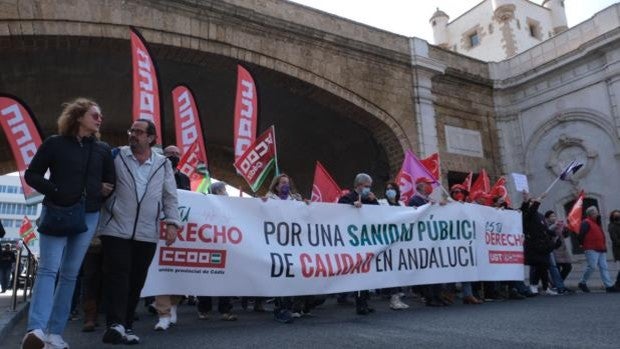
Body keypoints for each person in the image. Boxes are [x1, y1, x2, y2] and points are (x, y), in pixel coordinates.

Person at [21, 98, 115, 349]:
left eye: (100, 116)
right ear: (78, 116)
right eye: (94, 115)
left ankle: (55, 333)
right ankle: (36, 330)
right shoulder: (54, 143)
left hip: (88, 214)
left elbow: (110, 182)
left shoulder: (103, 149)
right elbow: (32, 174)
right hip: (58, 211)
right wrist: (55, 190)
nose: (99, 119)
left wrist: (100, 189)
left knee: (70, 274)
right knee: (48, 269)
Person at [98, 119, 182, 345]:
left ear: (151, 138)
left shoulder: (163, 164)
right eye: (131, 130)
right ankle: (115, 324)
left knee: (136, 279)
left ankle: (126, 326)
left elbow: (169, 196)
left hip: (147, 231)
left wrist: (172, 223)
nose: (133, 134)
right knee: (119, 274)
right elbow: (100, 179)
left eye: (139, 132)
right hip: (115, 227)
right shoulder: (116, 155)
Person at [152, 145, 191, 331]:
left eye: (177, 154)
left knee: (178, 269)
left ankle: (173, 304)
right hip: (158, 225)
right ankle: (163, 312)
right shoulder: (156, 172)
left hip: (181, 228)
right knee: (161, 269)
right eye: (170, 154)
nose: (174, 157)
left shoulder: (184, 178)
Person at [193, 182, 237, 322]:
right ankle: (204, 309)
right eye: (223, 190)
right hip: (209, 247)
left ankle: (225, 310)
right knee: (206, 277)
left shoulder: (231, 206)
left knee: (226, 279)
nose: (226, 192)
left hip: (225, 247)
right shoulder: (205, 205)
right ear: (217, 191)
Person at [338, 173, 378, 315]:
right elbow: (338, 209)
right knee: (359, 273)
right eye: (366, 186)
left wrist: (374, 201)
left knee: (366, 273)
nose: (368, 189)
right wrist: (351, 206)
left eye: (369, 187)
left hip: (367, 241)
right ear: (358, 186)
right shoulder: (347, 198)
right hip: (353, 242)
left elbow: (381, 215)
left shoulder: (370, 199)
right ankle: (359, 304)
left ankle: (365, 301)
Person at [449, 185, 483, 305]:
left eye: (460, 192)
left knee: (467, 267)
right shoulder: (448, 205)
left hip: (467, 242)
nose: (458, 194)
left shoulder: (469, 207)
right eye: (455, 192)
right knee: (450, 268)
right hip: (452, 242)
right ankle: (449, 293)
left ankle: (468, 294)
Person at [577, 206, 619, 293]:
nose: (597, 214)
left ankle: (609, 286)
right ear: (591, 214)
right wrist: (581, 244)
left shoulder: (595, 222)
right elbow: (581, 234)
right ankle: (582, 282)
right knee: (592, 266)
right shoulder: (586, 222)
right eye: (596, 212)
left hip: (600, 248)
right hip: (591, 248)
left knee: (604, 267)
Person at [383, 182, 409, 310]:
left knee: (399, 270)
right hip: (388, 243)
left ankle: (398, 297)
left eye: (392, 189)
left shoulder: (402, 204)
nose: (389, 191)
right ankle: (394, 299)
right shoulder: (381, 203)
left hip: (400, 242)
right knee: (391, 271)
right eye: (387, 189)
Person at [544, 210, 572, 294]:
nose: (554, 217)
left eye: (554, 216)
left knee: (568, 267)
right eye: (551, 216)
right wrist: (554, 226)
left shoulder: (559, 225)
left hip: (562, 249)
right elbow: (547, 233)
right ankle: (559, 286)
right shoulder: (547, 225)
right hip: (553, 249)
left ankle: (557, 284)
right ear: (547, 218)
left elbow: (565, 236)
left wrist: (566, 230)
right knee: (557, 268)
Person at [608, 210, 620, 288]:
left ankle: (617, 284)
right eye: (616, 215)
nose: (617, 217)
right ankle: (617, 284)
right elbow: (615, 239)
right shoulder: (611, 226)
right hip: (618, 249)